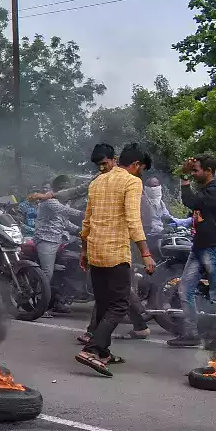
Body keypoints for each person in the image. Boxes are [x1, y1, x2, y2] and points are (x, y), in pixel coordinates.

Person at [75, 143, 156, 377]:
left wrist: (84, 251)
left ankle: (103, 352)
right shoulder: (132, 182)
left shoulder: (97, 182)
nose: (140, 173)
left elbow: (86, 222)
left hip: (95, 251)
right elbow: (133, 220)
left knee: (102, 303)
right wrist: (146, 253)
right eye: (140, 169)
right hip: (115, 253)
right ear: (136, 165)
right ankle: (91, 350)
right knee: (119, 304)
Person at [168, 155, 216, 350]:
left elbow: (191, 201)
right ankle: (191, 333)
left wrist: (185, 176)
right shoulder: (206, 190)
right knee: (184, 289)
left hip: (215, 248)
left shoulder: (215, 190)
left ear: (208, 171)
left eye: (196, 170)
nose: (194, 174)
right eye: (192, 171)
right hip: (199, 248)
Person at [33, 175, 83, 316]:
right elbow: (66, 212)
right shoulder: (50, 201)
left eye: (67, 188)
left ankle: (60, 301)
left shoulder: (63, 202)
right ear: (56, 189)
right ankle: (39, 306)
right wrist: (86, 214)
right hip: (46, 239)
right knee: (47, 273)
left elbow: (65, 222)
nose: (65, 191)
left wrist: (80, 230)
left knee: (70, 268)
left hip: (61, 240)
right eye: (63, 188)